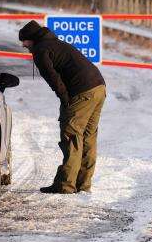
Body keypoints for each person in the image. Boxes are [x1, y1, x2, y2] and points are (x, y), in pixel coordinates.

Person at [18, 20, 107, 194]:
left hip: (82, 92)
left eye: (24, 42)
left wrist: (65, 100)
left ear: (31, 39)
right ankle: (83, 183)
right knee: (88, 136)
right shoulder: (56, 43)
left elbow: (53, 79)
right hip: (99, 87)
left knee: (72, 134)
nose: (23, 45)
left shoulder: (40, 50)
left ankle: (66, 184)